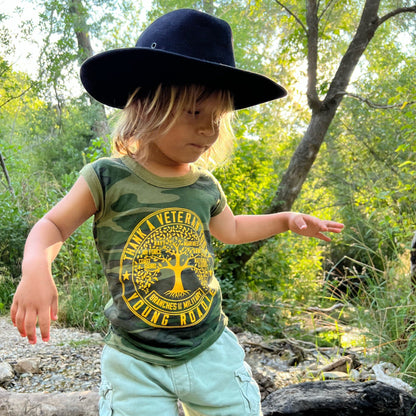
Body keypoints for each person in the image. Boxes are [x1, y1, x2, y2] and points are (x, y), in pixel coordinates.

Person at [10, 8, 344, 416]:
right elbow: (52, 226)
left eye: (217, 118)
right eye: (195, 112)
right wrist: (36, 268)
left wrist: (286, 221)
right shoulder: (107, 177)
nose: (209, 129)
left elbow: (232, 229)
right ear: (147, 106)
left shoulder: (204, 186)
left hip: (209, 348)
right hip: (135, 360)